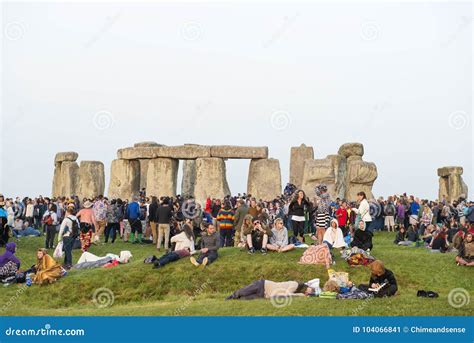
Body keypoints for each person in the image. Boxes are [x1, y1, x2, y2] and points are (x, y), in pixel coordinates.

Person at [226, 280, 314, 300]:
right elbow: (287, 294)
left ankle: (234, 299)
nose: (306, 292)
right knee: (242, 292)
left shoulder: (297, 292)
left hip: (265, 295)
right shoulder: (295, 284)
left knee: (243, 299)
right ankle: (232, 295)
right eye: (307, 290)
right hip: (263, 285)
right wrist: (301, 295)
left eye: (308, 293)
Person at [58, 205, 80, 269]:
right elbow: (78, 227)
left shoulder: (66, 219)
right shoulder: (75, 218)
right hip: (73, 236)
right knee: (68, 250)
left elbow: (61, 229)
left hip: (67, 236)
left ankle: (69, 264)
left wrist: (59, 237)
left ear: (67, 212)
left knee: (67, 251)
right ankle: (65, 263)